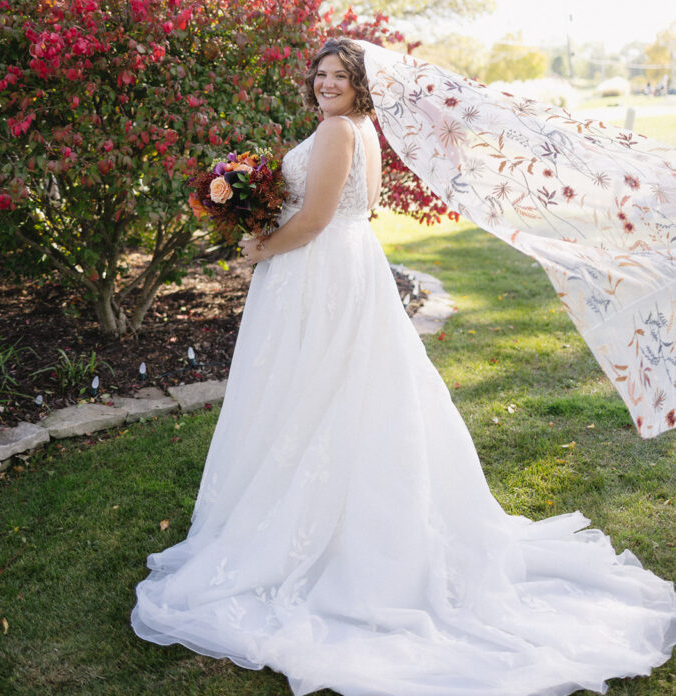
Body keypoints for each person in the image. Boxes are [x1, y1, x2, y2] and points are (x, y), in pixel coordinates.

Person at [132, 38, 676, 696]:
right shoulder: (356, 128)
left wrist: (258, 249)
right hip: (340, 267)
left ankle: (326, 532)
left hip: (318, 271)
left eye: (339, 75)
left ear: (359, 85)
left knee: (317, 391)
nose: (326, 82)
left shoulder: (338, 130)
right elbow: (347, 209)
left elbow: (317, 219)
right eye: (321, 74)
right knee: (332, 390)